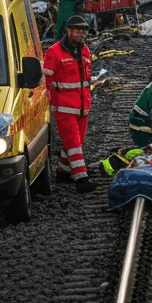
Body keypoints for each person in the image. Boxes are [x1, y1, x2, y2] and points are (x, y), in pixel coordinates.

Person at [42, 14, 96, 193]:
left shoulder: (85, 50)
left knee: (76, 141)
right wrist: (48, 105)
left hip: (82, 107)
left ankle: (62, 172)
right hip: (64, 108)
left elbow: (86, 80)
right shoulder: (54, 52)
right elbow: (46, 81)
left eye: (84, 31)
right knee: (73, 143)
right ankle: (81, 178)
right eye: (78, 31)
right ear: (69, 31)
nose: (81, 34)